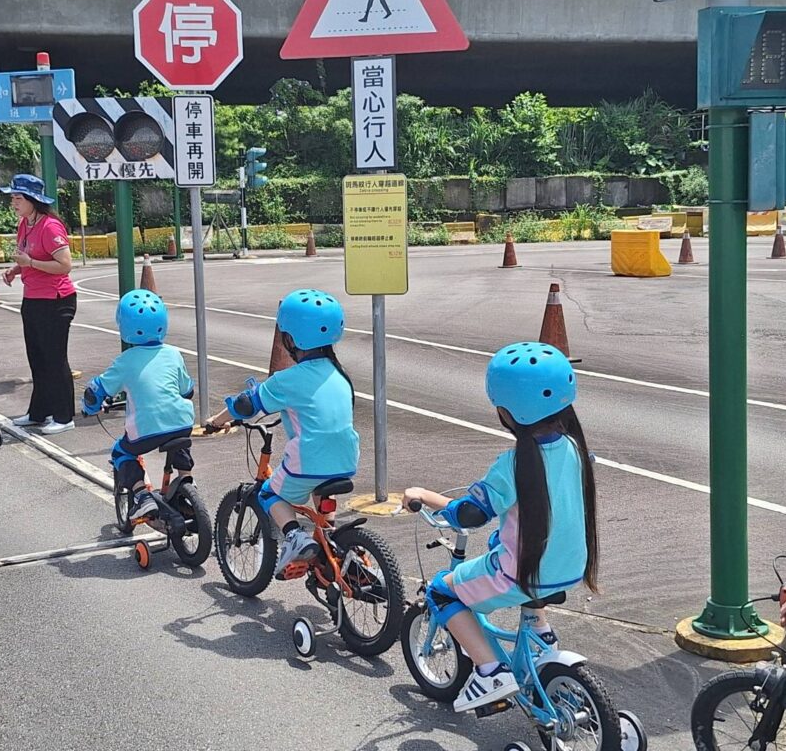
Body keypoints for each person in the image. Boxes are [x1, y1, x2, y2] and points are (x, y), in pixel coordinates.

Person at [402, 342, 599, 713]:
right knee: (514, 561)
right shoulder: (576, 449)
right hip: (569, 568)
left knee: (442, 592)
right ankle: (542, 640)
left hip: (520, 575)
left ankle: (490, 670)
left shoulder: (511, 465)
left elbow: (469, 515)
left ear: (507, 412)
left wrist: (426, 495)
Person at [207, 289, 359, 577]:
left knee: (268, 494)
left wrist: (217, 420)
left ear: (292, 338)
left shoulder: (288, 379)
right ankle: (331, 544)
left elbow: (246, 405)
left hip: (309, 459)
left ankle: (295, 537)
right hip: (346, 459)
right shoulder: (339, 374)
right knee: (320, 496)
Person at [81, 290, 195, 521]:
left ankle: (142, 496)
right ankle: (187, 481)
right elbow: (187, 390)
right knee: (177, 435)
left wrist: (89, 408)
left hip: (145, 430)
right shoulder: (174, 354)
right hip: (183, 422)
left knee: (121, 452)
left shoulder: (124, 361)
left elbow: (96, 392)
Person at [0, 174, 76, 435]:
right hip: (32, 298)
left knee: (55, 359)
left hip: (56, 301)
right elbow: (27, 257)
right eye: (12, 198)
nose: (14, 202)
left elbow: (64, 265)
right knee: (38, 359)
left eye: (18, 198)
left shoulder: (50, 227)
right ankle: (39, 412)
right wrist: (15, 270)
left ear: (33, 200)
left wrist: (29, 264)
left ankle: (64, 416)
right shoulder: (25, 224)